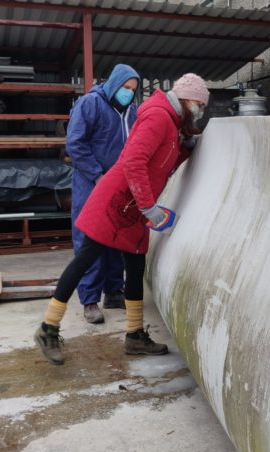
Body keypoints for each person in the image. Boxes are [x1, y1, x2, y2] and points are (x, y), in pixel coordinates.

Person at [36, 73, 210, 365]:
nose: (200, 110)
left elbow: (161, 160)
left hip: (133, 208)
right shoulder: (158, 117)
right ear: (188, 100)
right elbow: (134, 161)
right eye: (200, 104)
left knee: (135, 265)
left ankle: (134, 335)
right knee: (85, 259)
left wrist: (184, 149)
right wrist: (148, 207)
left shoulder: (171, 121)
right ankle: (48, 328)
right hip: (117, 202)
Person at [66, 64, 140, 324]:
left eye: (133, 90)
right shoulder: (91, 104)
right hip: (91, 183)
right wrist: (97, 175)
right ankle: (89, 300)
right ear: (114, 84)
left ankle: (112, 290)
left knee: (114, 236)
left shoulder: (131, 112)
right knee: (90, 239)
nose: (128, 93)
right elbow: (75, 142)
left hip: (118, 185)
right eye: (125, 88)